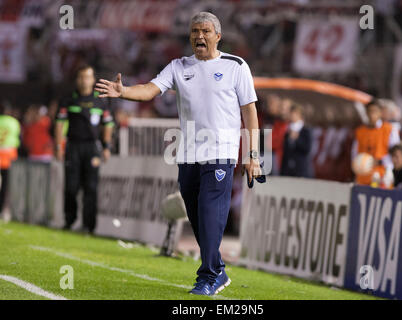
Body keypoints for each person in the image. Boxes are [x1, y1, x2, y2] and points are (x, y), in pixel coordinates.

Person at [95, 12, 261, 296]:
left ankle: (207, 276)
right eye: (195, 31)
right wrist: (123, 92)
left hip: (220, 152)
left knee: (210, 212)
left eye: (206, 31)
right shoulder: (178, 66)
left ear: (217, 36)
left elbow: (249, 111)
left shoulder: (236, 66)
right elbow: (150, 90)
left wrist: (253, 154)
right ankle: (218, 269)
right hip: (187, 154)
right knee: (196, 216)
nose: (199, 36)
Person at [55, 65, 114, 234]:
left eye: (87, 77)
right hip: (72, 146)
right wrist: (59, 146)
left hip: (92, 147)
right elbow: (59, 124)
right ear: (77, 79)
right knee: (71, 187)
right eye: (81, 77)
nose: (84, 80)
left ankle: (89, 226)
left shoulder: (101, 100)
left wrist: (106, 146)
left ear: (93, 79)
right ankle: (69, 220)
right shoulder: (68, 100)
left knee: (91, 188)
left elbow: (108, 124)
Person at [352, 98, 400, 187]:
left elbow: (395, 152)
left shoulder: (389, 129)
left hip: (382, 175)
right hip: (363, 175)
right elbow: (354, 153)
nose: (371, 114)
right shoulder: (360, 131)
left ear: (380, 113)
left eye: (374, 111)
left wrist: (380, 162)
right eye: (369, 111)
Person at [280, 103, 313, 177]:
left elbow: (307, 148)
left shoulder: (306, 130)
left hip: (300, 169)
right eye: (291, 113)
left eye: (295, 113)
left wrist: (297, 139)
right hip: (287, 169)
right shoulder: (288, 129)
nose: (292, 115)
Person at [0, 104, 20, 216]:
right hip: (8, 159)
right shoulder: (13, 122)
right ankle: (2, 209)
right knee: (5, 187)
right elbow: (17, 140)